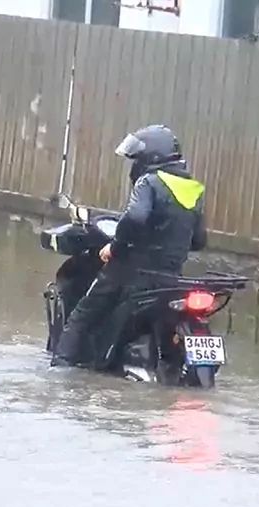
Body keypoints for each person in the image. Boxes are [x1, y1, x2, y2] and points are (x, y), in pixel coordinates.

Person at [51, 124, 208, 368]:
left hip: (130, 273)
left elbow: (134, 218)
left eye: (136, 158)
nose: (134, 165)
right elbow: (199, 241)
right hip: (170, 278)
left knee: (81, 317)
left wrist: (115, 247)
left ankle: (60, 375)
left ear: (151, 157)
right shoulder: (193, 190)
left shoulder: (149, 182)